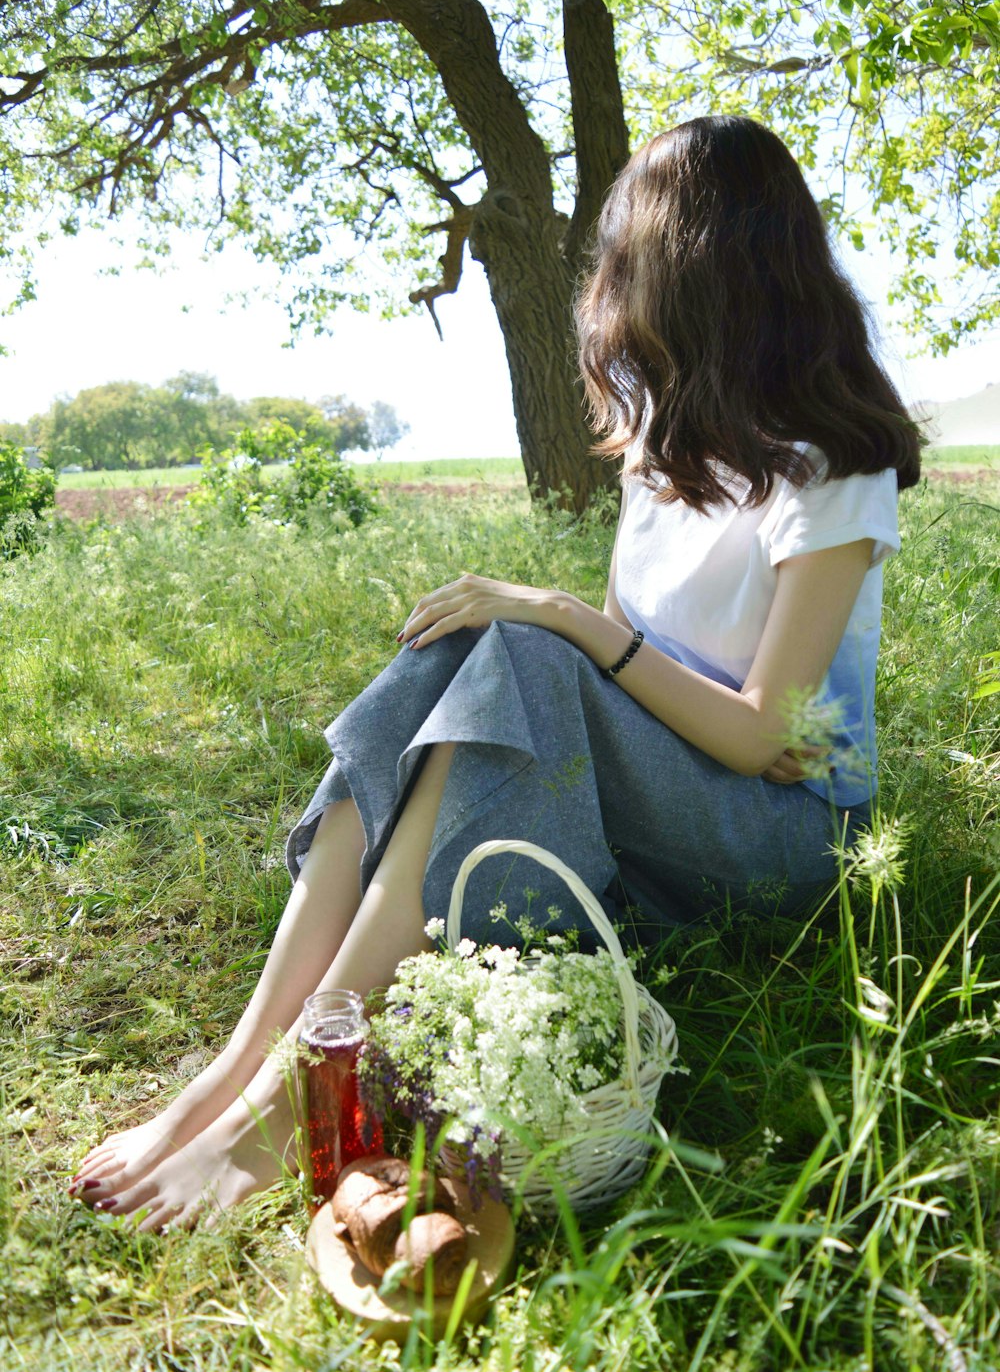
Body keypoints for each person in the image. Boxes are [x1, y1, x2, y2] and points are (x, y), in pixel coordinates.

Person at [69, 115, 921, 1230]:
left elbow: (771, 738)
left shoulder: (832, 472)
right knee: (473, 644)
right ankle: (232, 1072)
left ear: (694, 269)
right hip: (670, 795)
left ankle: (289, 1099)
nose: (610, 290)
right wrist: (540, 635)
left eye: (624, 259)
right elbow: (621, 672)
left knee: (524, 635)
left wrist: (555, 616)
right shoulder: (665, 447)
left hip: (781, 834)